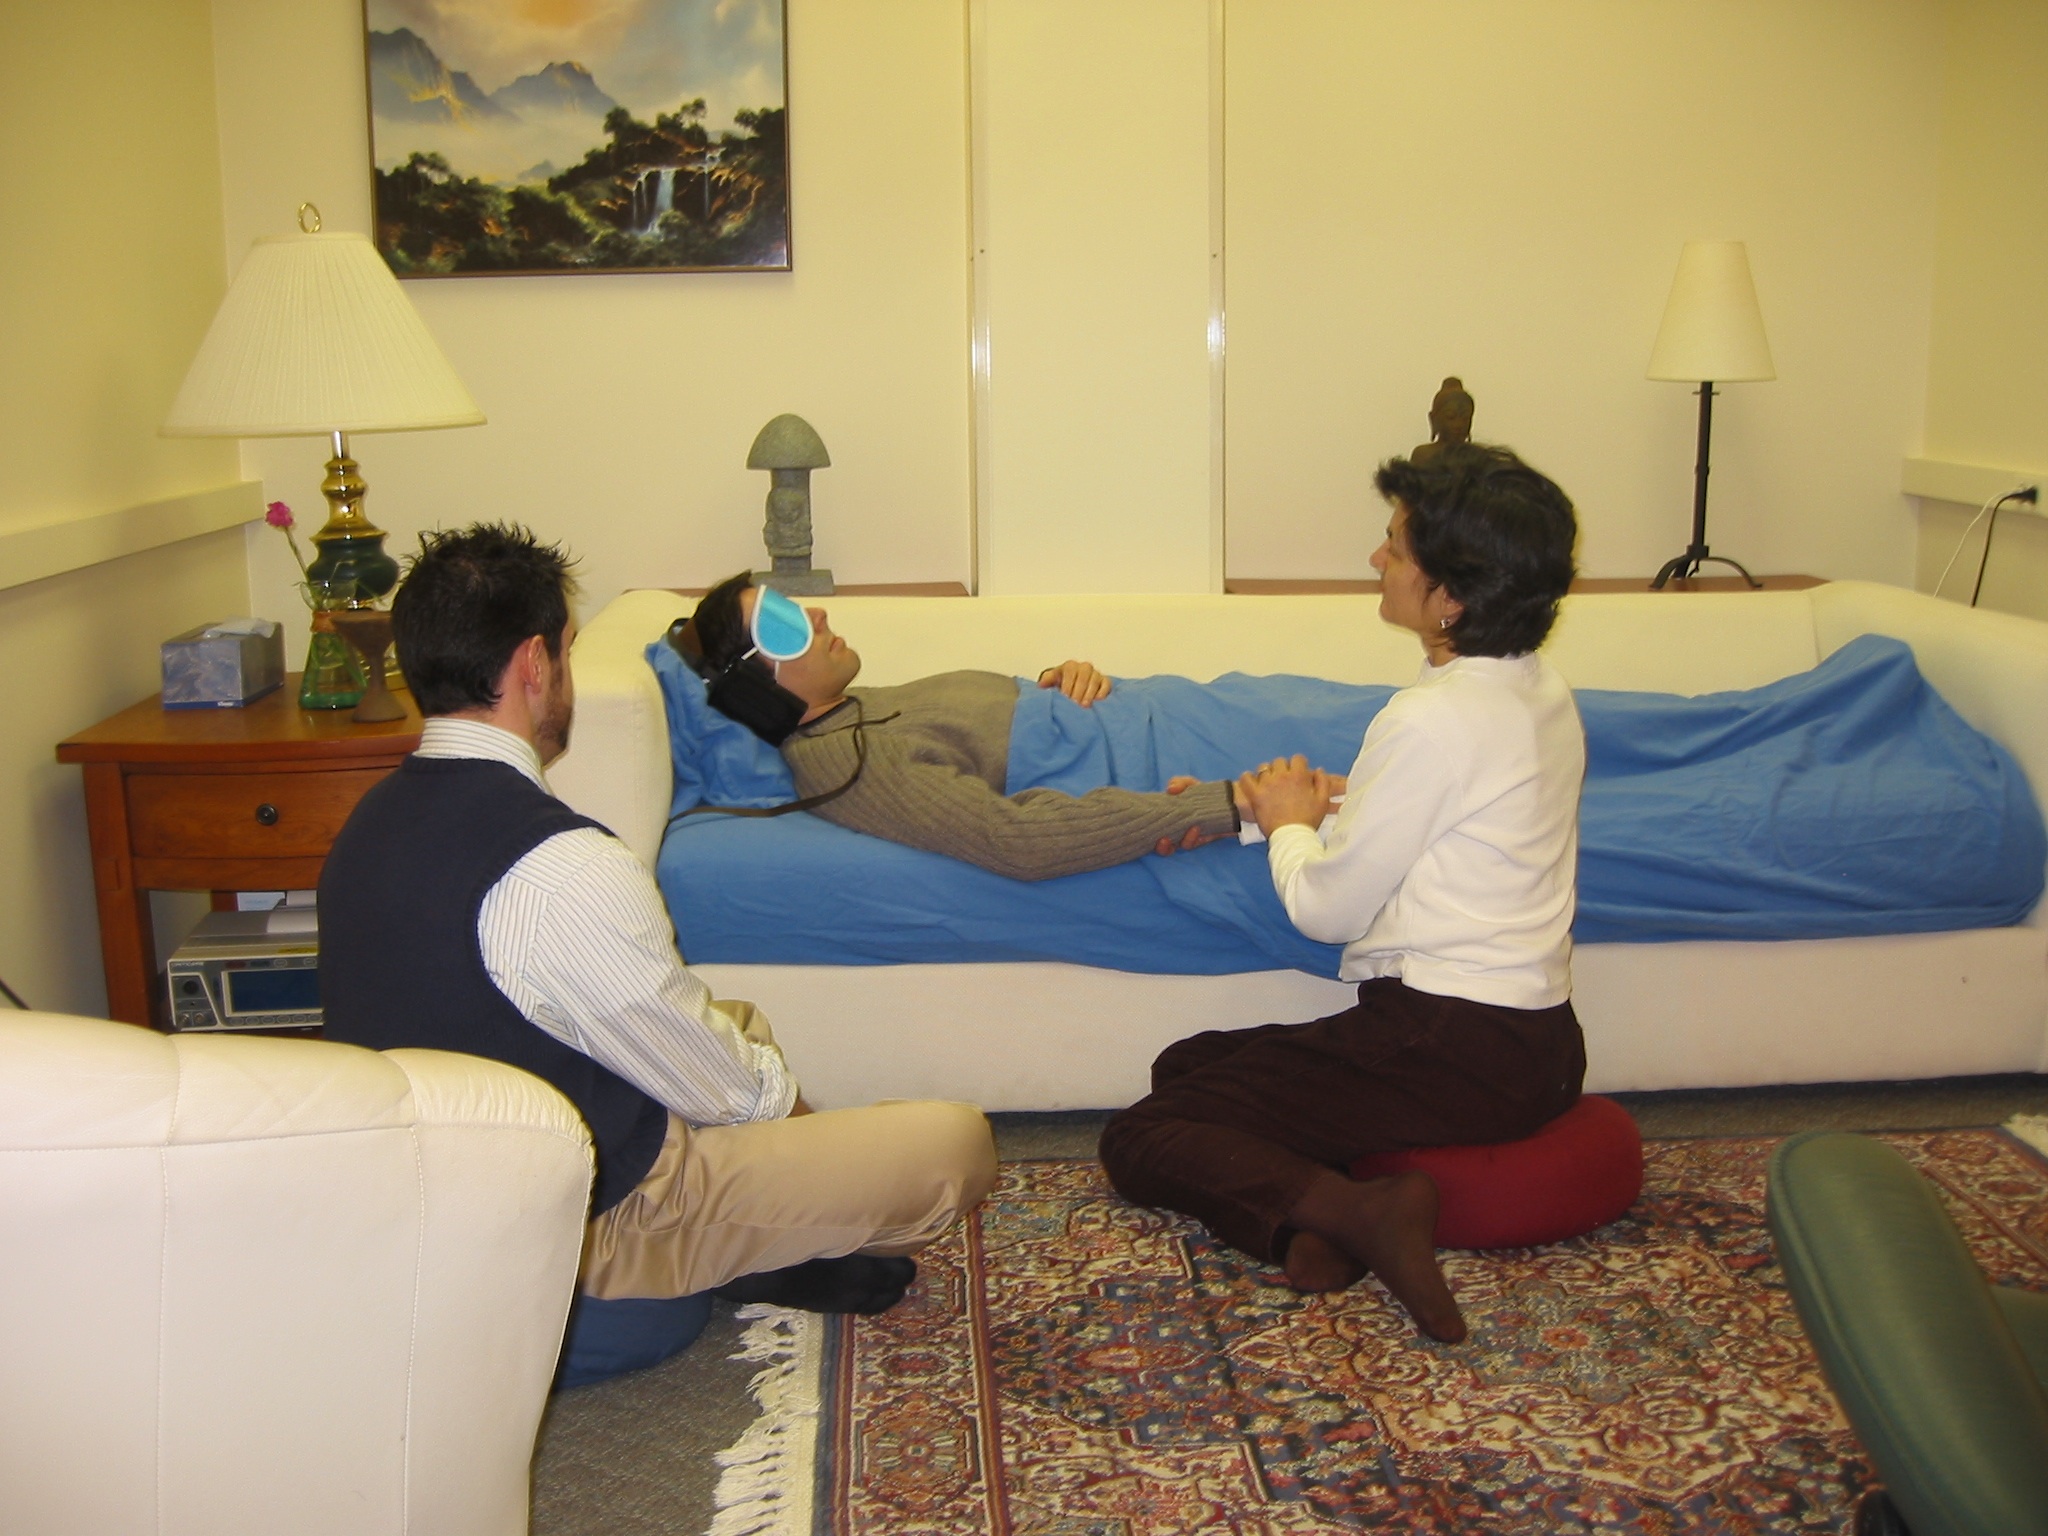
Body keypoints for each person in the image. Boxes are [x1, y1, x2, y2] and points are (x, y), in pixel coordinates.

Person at [319, 523, 997, 1318]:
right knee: (953, 1146)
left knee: (736, 1023)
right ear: (534, 663)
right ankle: (730, 1253)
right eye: (567, 653)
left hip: (450, 1171)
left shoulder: (370, 818)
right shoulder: (562, 866)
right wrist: (801, 1138)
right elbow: (728, 1090)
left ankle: (757, 1241)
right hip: (576, 1217)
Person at [1097, 444, 1585, 1344]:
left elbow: (1327, 911)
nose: (1376, 558)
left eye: (1395, 546)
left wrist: (1291, 828)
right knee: (1191, 1066)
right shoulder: (1536, 689)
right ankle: (1318, 1230)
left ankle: (1367, 1214)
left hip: (1447, 1046)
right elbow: (1442, 816)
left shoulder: (1431, 719)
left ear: (1451, 595)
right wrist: (1273, 811)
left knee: (1141, 1136)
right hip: (1540, 1047)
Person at [673, 574, 1242, 879]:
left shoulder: (854, 708)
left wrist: (1060, 680)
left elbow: (975, 733)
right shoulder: (841, 761)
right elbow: (1016, 841)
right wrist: (1223, 804)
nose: (816, 613)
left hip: (1168, 707)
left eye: (790, 604)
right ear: (755, 689)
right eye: (782, 624)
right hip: (1178, 751)